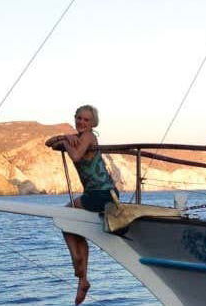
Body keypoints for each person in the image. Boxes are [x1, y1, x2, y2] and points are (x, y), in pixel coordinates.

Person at [43, 105, 118, 305]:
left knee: (65, 216)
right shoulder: (77, 137)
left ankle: (76, 260)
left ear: (93, 123)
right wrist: (65, 137)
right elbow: (48, 143)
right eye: (79, 118)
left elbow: (76, 156)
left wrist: (66, 143)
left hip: (102, 193)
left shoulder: (89, 137)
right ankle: (82, 280)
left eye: (86, 120)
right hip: (94, 194)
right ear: (75, 118)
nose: (82, 122)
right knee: (77, 229)